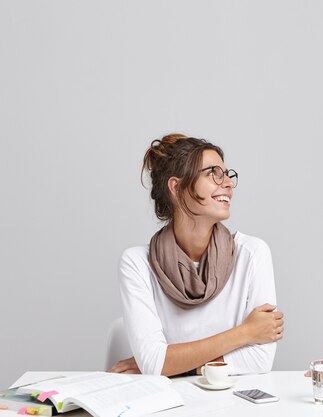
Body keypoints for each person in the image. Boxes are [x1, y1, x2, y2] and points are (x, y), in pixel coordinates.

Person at [107, 134, 284, 376]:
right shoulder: (137, 263)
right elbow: (155, 364)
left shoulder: (252, 254)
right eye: (213, 173)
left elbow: (259, 360)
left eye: (227, 174)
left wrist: (172, 365)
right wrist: (245, 333)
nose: (228, 184)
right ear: (176, 188)